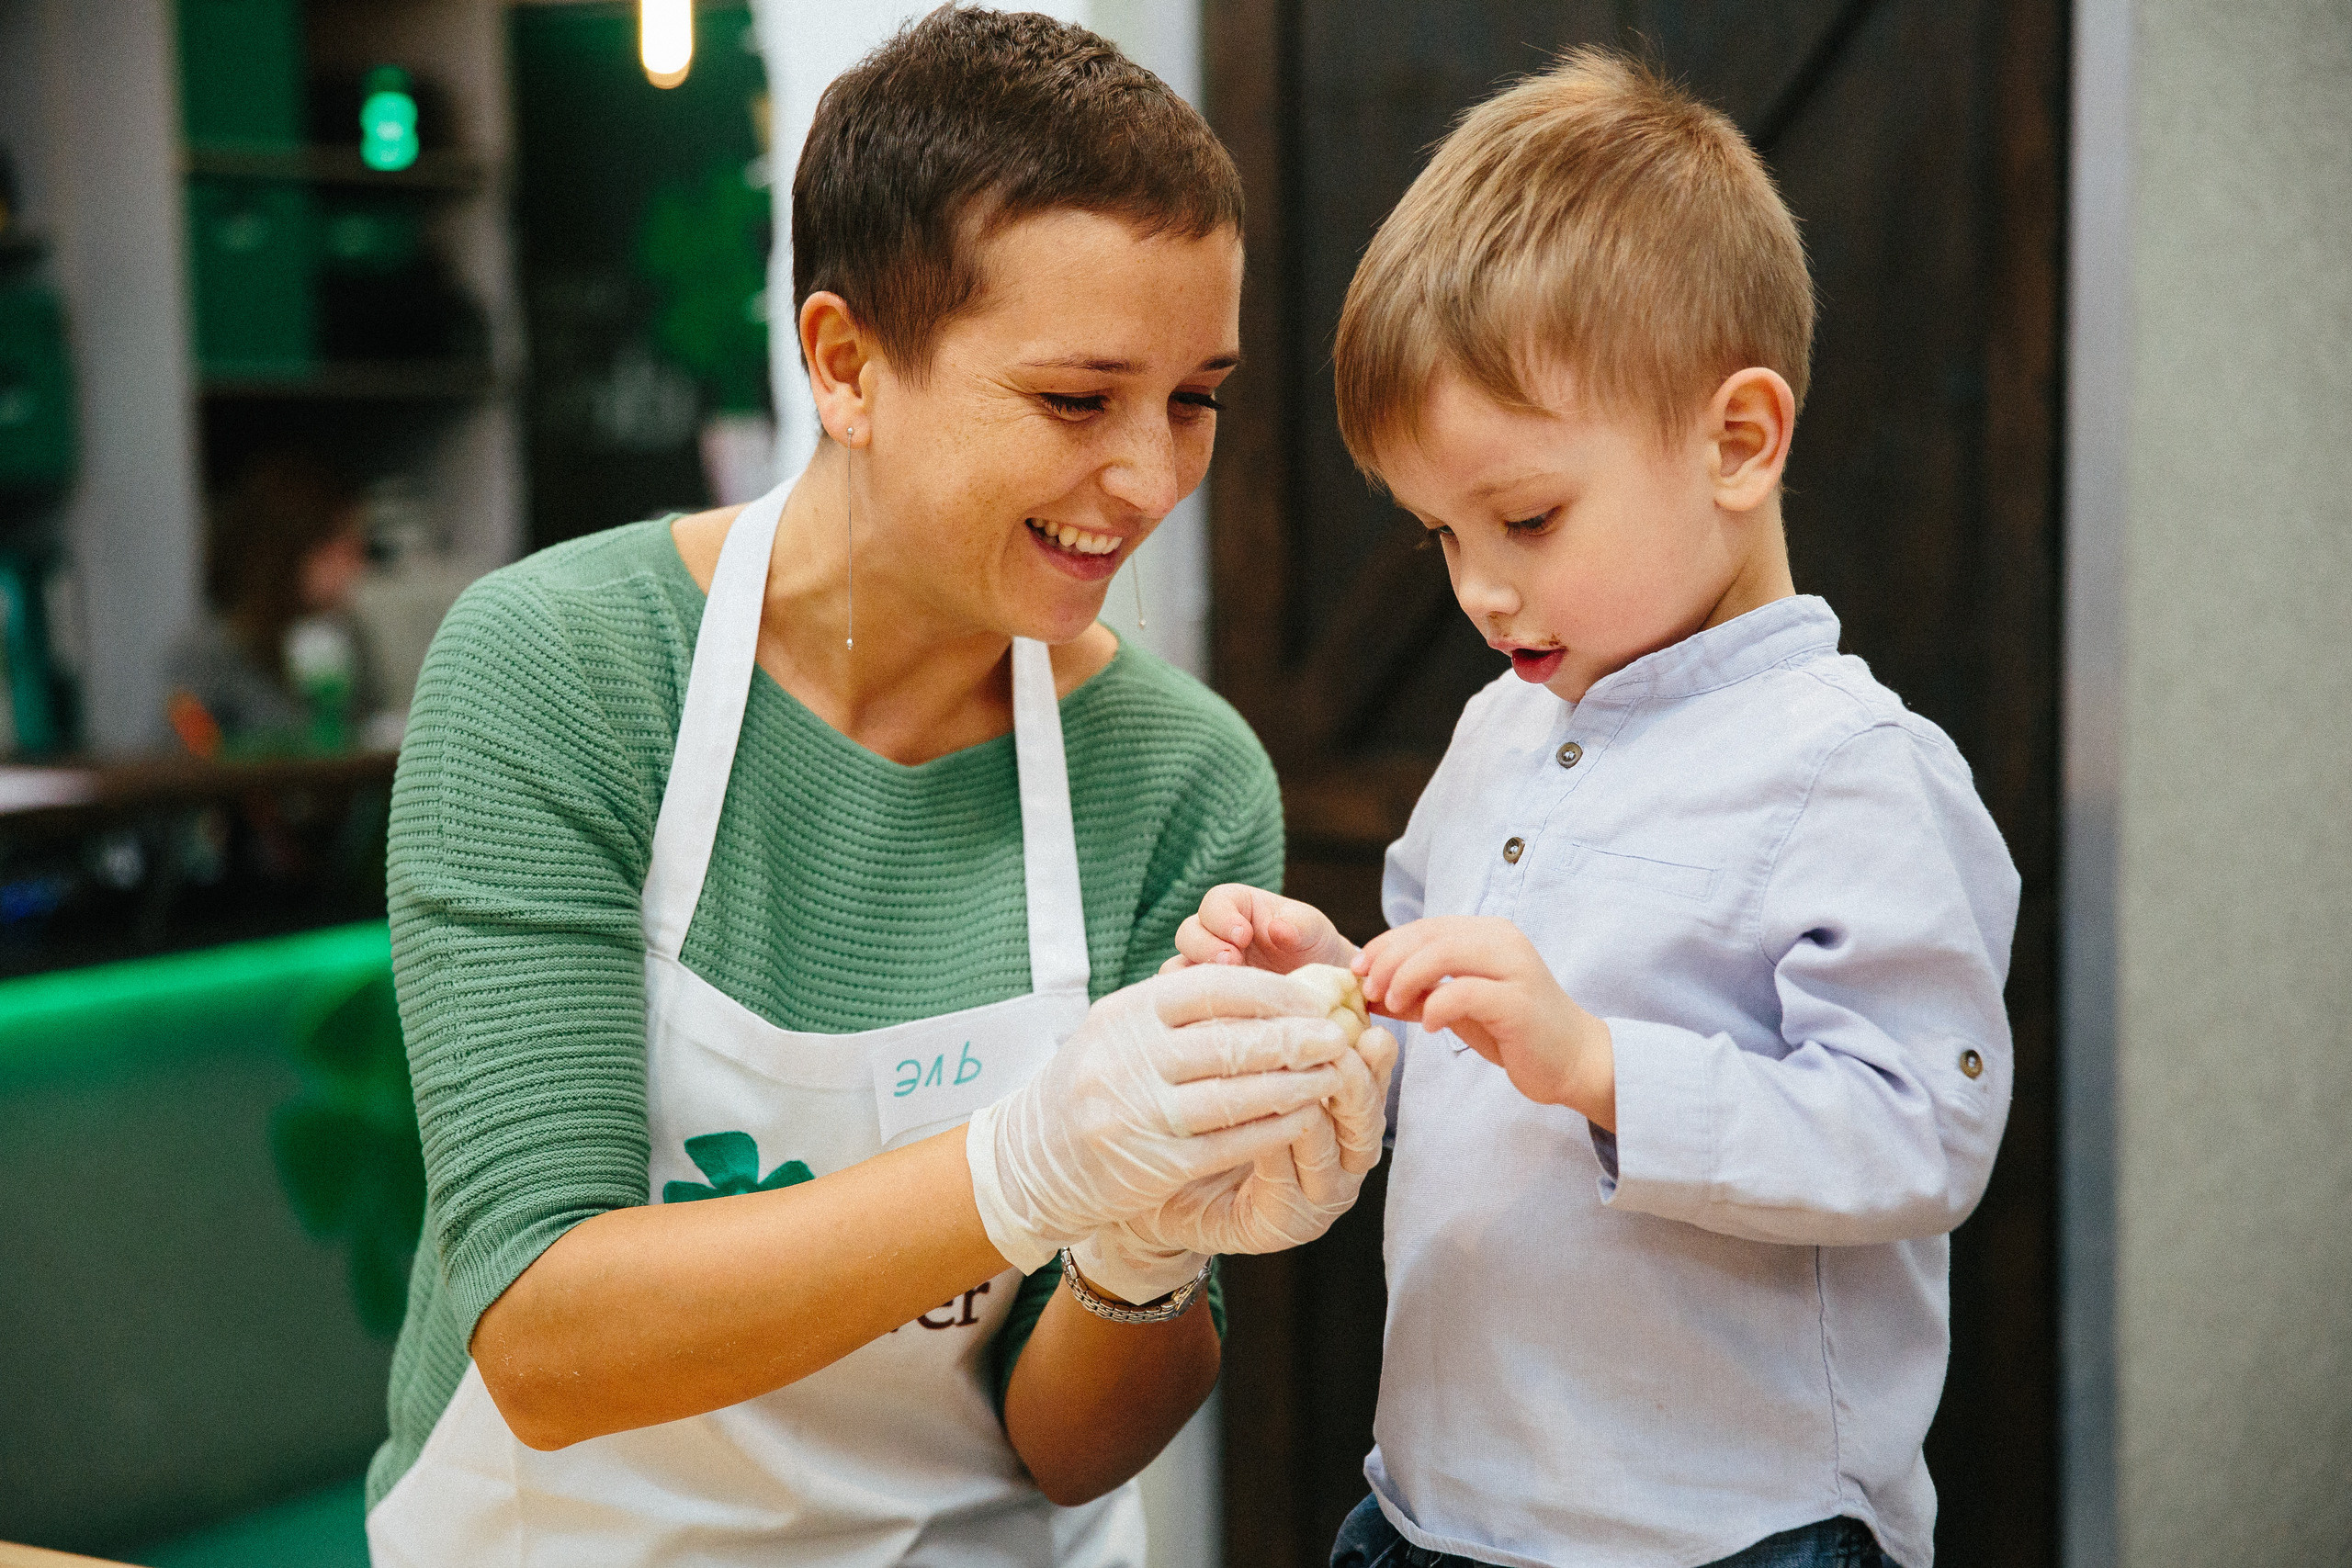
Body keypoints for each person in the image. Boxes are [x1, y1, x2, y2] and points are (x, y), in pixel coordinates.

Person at [364, 11, 1393, 1566]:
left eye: (1194, 397)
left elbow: (1066, 1451)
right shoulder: (563, 673)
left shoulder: (1181, 779)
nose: (1150, 478)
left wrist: (1147, 1254)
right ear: (848, 363)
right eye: (1074, 399)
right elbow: (550, 1342)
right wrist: (1024, 1162)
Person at [1170, 50, 2020, 1568]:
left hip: (1723, 1530)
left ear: (1739, 440)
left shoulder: (1850, 767)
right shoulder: (1500, 727)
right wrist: (1338, 998)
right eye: (1442, 533)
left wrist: (1600, 1064)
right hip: (1439, 1505)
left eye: (1531, 517)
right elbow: (1447, 1033)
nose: (1482, 588)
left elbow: (1921, 1131)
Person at [164, 450, 372, 753]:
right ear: (287, 553)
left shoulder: (346, 634)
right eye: (341, 549)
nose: (357, 566)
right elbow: (184, 756)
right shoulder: (211, 651)